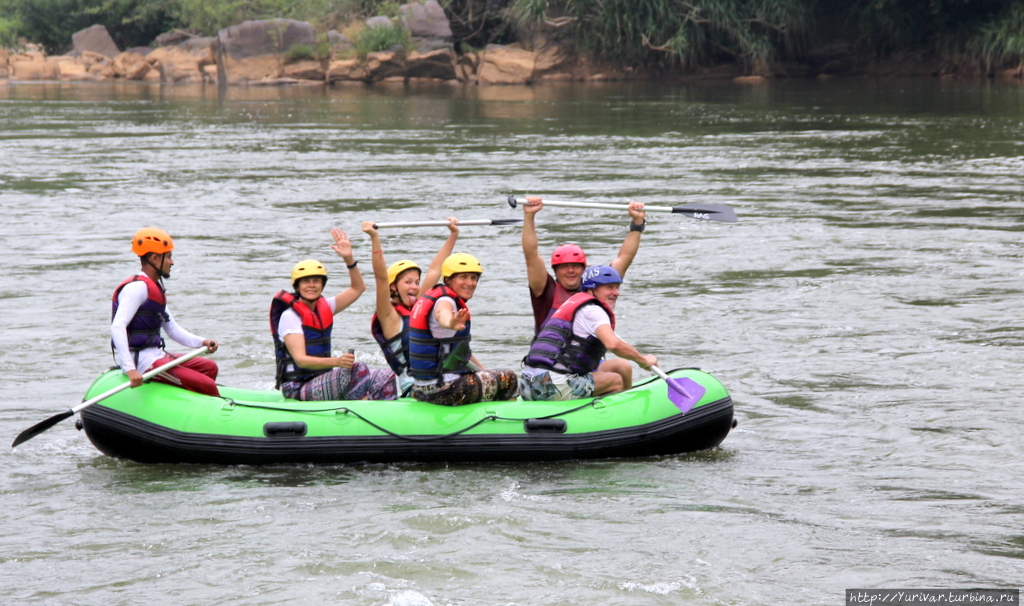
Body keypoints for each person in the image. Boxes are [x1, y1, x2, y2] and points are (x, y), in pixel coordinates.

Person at [270, 229, 397, 402]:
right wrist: (337, 362)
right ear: (297, 286)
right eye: (306, 281)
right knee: (358, 369)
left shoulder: (326, 306)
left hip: (322, 380)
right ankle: (357, 415)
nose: (312, 285)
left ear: (323, 284)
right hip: (297, 387)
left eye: (316, 281)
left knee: (385, 375)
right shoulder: (290, 316)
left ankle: (386, 418)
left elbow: (358, 288)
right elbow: (301, 360)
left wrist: (349, 259)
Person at [519, 265, 658, 401]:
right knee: (615, 380)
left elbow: (617, 343)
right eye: (609, 287)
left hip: (527, 384)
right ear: (591, 290)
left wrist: (637, 357)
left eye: (617, 287)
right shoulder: (594, 311)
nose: (616, 292)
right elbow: (614, 345)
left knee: (622, 366)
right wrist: (644, 361)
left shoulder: (574, 306)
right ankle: (617, 415)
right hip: (552, 385)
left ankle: (630, 402)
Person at [111, 227, 220, 396]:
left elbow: (173, 330)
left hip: (156, 355)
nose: (172, 262)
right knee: (205, 384)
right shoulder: (137, 288)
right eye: (168, 257)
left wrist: (202, 342)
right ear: (155, 258)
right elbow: (118, 326)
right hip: (142, 362)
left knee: (209, 367)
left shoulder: (154, 289)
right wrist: (130, 369)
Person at [361, 218, 460, 396]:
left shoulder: (418, 308)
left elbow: (435, 270)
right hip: (413, 389)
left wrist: (453, 235)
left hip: (440, 379)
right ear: (393, 287)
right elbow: (381, 278)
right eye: (408, 282)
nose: (415, 287)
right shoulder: (389, 317)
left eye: (416, 282)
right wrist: (375, 238)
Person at [521, 195, 647, 333]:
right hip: (552, 354)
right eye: (564, 266)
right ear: (556, 271)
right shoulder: (545, 291)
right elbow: (531, 256)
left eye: (575, 266)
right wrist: (529, 216)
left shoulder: (598, 287)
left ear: (583, 269)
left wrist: (637, 223)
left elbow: (625, 258)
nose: (570, 270)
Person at [407, 253, 519, 406]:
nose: (470, 283)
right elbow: (442, 313)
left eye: (474, 278)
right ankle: (508, 419)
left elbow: (460, 354)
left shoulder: (433, 296)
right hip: (447, 390)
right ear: (448, 280)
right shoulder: (446, 301)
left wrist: (485, 371)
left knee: (491, 374)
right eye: (463, 277)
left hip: (422, 388)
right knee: (508, 378)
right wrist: (450, 322)